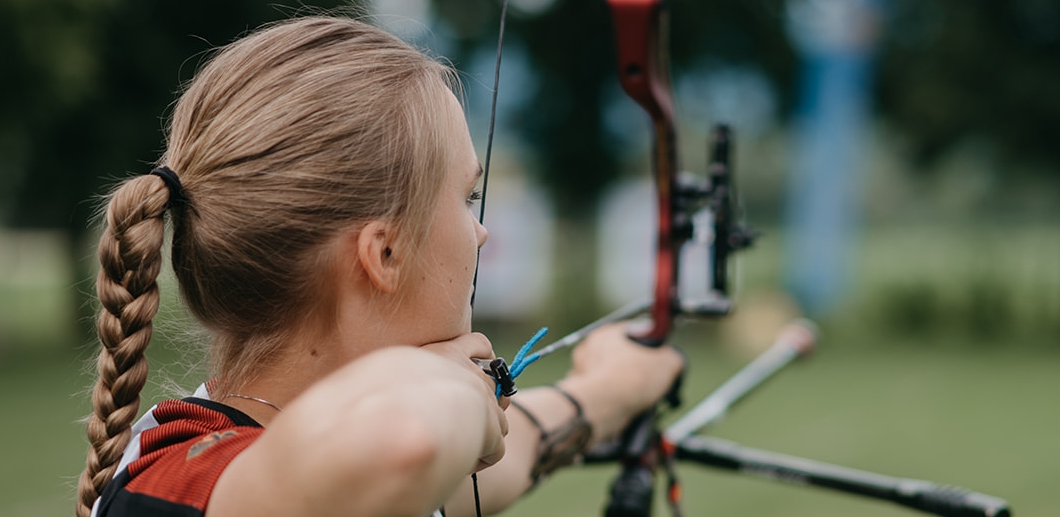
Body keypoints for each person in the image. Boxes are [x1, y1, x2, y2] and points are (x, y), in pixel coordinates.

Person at [75, 16, 683, 517]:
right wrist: (452, 384)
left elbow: (508, 449)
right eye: (466, 199)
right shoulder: (192, 484)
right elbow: (404, 442)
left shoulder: (347, 477)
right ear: (384, 254)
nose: (482, 232)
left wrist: (606, 390)